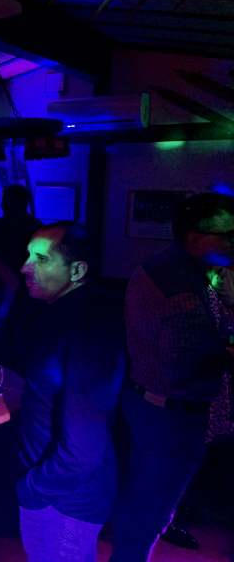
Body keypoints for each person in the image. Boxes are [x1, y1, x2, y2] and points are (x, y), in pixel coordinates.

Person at [110, 192, 234, 562]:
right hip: (172, 415)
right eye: (228, 235)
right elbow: (184, 374)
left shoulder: (162, 265)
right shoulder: (183, 293)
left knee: (140, 498)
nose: (233, 242)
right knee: (150, 511)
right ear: (195, 239)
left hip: (145, 399)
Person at [15, 221, 126, 562]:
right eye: (28, 255)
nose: (24, 267)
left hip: (63, 500)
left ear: (77, 271)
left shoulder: (83, 334)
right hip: (60, 491)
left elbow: (82, 450)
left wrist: (32, 490)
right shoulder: (63, 317)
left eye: (41, 259)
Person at [0, 184, 43, 275]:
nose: (1, 205)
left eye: (5, 200)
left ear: (17, 202)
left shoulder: (36, 229)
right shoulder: (0, 224)